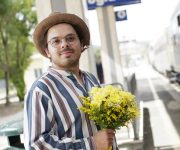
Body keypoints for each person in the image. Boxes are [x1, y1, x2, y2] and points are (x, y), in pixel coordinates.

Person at [24, 12, 117, 150]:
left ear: (81, 44)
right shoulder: (41, 90)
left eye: (70, 38)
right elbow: (37, 145)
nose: (64, 45)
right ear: (47, 51)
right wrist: (91, 145)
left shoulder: (91, 79)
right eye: (56, 41)